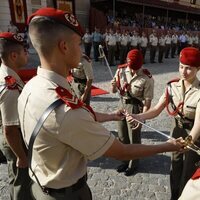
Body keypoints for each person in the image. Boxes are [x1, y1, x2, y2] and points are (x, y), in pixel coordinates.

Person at [18, 7, 183, 200]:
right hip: (66, 194)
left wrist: (112, 115)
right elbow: (120, 151)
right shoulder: (65, 109)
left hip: (39, 185)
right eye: (78, 44)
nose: (81, 50)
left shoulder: (32, 87)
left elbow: (81, 118)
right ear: (64, 46)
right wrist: (167, 146)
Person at [126, 47, 200, 200]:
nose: (183, 72)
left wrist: (188, 142)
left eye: (189, 68)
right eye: (181, 67)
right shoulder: (172, 86)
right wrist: (139, 116)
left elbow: (199, 123)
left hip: (194, 137)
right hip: (176, 131)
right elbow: (156, 109)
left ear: (198, 69)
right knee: (175, 168)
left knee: (188, 172)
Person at [111, 49, 154, 176]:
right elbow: (113, 90)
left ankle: (133, 164)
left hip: (135, 108)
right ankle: (125, 160)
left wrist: (142, 117)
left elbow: (147, 101)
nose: (133, 71)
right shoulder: (121, 70)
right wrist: (113, 85)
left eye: (136, 68)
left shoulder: (147, 77)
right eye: (131, 68)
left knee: (134, 138)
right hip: (122, 105)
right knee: (122, 136)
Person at [0, 32, 32, 199]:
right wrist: (21, 156)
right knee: (22, 183)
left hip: (15, 137)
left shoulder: (9, 74)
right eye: (24, 51)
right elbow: (10, 129)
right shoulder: (9, 86)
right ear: (13, 55)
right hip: (16, 140)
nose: (27, 54)